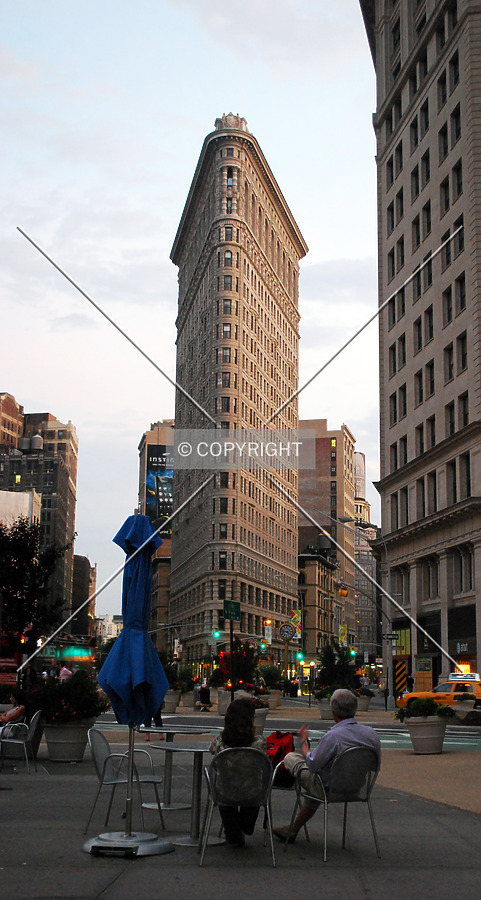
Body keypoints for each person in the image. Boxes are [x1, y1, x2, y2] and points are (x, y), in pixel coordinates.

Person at [273, 688, 381, 844]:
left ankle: (292, 828)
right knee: (321, 779)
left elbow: (312, 765)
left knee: (292, 758)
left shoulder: (333, 736)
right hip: (358, 788)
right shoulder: (371, 734)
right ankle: (293, 829)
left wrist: (304, 742)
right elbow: (375, 765)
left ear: (333, 712)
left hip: (329, 788)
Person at [209, 697, 267, 847]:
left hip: (225, 794)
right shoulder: (259, 744)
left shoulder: (220, 743)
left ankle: (232, 830)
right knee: (252, 790)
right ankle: (245, 825)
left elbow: (211, 751)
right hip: (253, 794)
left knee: (225, 792)